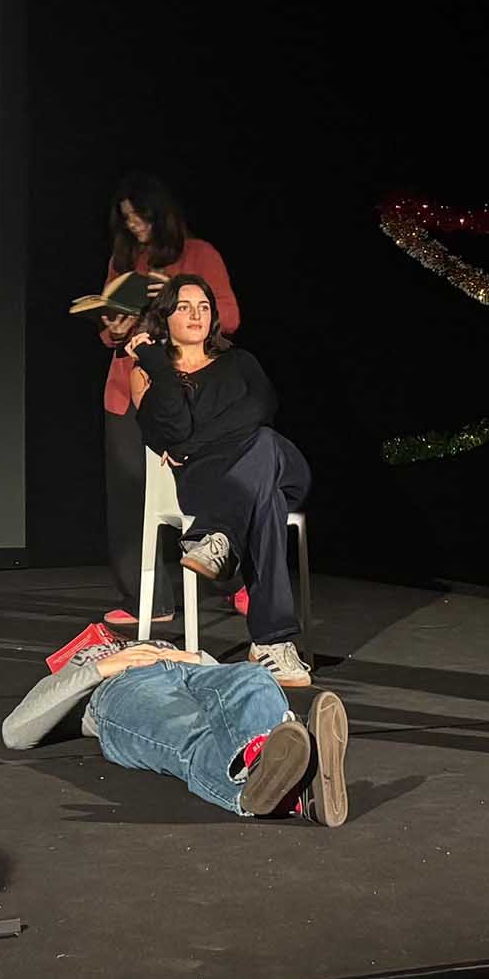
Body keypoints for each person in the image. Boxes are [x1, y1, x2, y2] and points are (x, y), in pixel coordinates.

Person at [130, 275, 314, 684]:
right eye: (183, 307)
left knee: (265, 441)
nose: (196, 315)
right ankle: (272, 643)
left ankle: (217, 535)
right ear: (165, 316)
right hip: (211, 487)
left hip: (279, 467)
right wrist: (159, 366)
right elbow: (170, 431)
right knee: (265, 502)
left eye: (204, 307)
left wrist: (192, 445)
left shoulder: (240, 361)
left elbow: (260, 408)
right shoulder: (149, 376)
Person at [3, 629, 351, 826]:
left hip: (189, 668)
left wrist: (194, 658)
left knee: (253, 677)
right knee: (191, 730)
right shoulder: (80, 665)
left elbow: (227, 692)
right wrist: (104, 667)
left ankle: (269, 766)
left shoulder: (155, 643)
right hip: (123, 685)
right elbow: (16, 732)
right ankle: (293, 786)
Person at [94, 174, 243, 616]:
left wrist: (176, 301)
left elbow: (230, 317)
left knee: (202, 490)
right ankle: (147, 601)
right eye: (127, 220)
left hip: (186, 390)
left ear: (161, 215)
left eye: (140, 218)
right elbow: (108, 329)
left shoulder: (199, 255)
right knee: (130, 496)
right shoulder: (125, 261)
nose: (134, 227)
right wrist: (115, 327)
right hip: (127, 388)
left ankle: (235, 580)